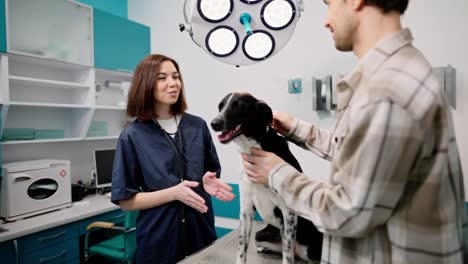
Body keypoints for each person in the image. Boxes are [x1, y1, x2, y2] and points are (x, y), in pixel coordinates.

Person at [241, 0, 467, 263]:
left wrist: (278, 173)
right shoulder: (396, 73)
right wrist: (297, 129)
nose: (326, 20)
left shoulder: (388, 88)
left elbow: (347, 213)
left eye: (330, 4)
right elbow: (364, 159)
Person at [111, 54, 235, 264]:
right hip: (159, 242)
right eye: (162, 78)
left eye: (176, 77)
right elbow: (126, 201)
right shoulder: (133, 135)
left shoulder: (197, 126)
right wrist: (173, 193)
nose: (173, 83)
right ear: (146, 84)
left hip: (200, 234)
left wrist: (206, 183)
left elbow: (209, 174)